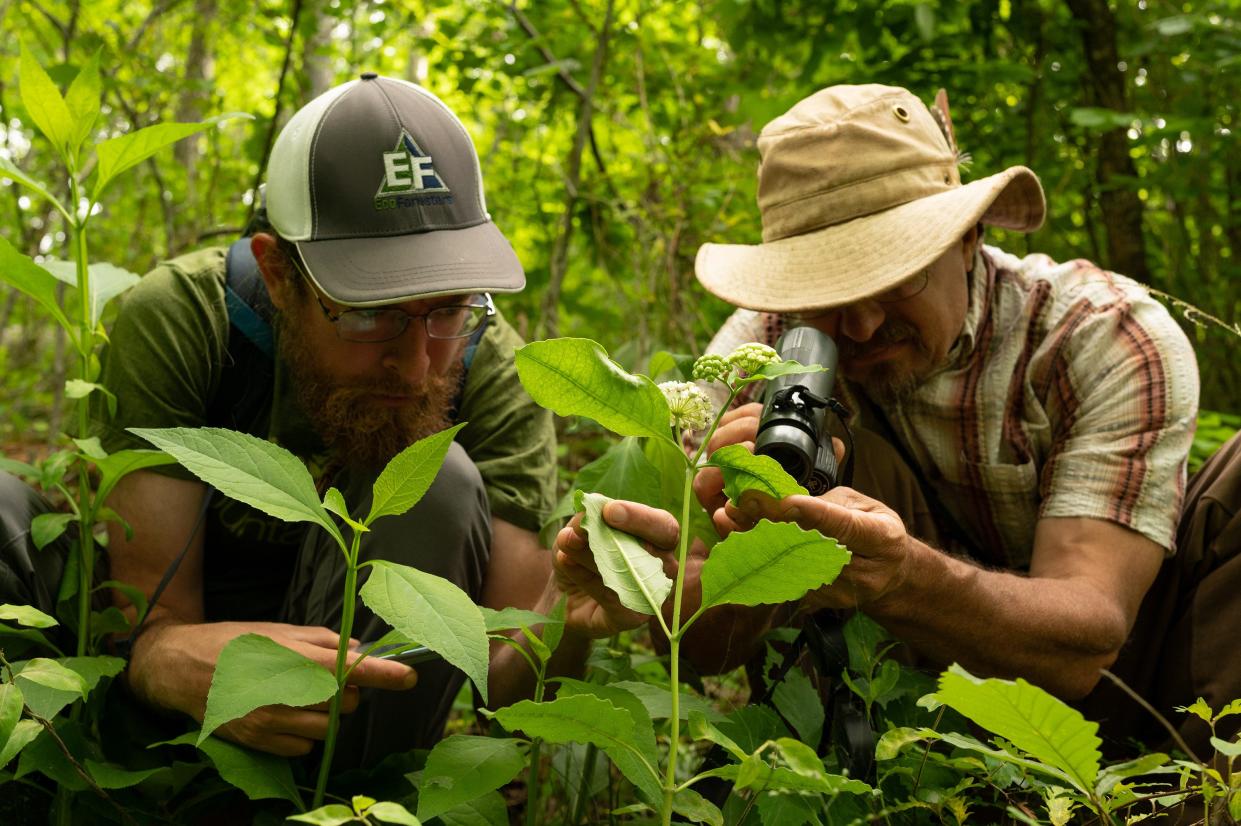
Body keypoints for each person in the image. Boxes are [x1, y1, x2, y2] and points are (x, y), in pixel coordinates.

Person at [554, 84, 1240, 760]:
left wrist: (904, 576)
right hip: (896, 710)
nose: (861, 322)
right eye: (825, 292)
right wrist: (671, 578)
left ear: (968, 236)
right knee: (800, 451)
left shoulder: (1098, 337)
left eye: (896, 276)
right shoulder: (757, 353)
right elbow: (703, 649)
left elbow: (1087, 640)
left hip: (1144, 676)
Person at [1, 73, 588, 768]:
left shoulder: (495, 369)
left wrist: (572, 611)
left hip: (355, 696)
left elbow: (504, 677)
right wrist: (157, 658)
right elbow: (151, 622)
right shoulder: (188, 319)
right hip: (174, 682)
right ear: (278, 273)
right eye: (370, 312)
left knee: (438, 479)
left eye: (449, 308)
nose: (417, 364)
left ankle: (351, 799)